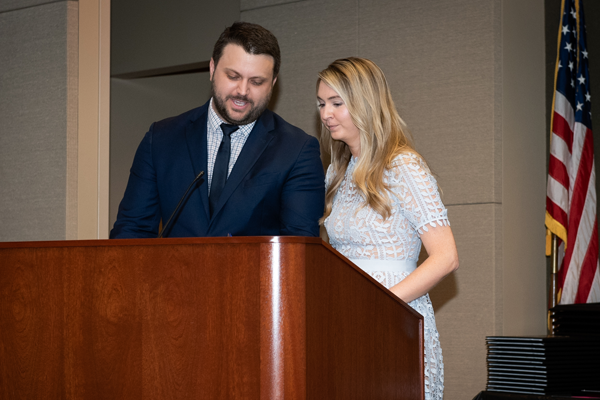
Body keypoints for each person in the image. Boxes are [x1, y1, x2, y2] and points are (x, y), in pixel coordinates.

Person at [317, 57, 459, 400]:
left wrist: (377, 305)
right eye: (321, 104)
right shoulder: (337, 172)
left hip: (393, 317)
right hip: (346, 316)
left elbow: (446, 257)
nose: (325, 114)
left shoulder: (403, 165)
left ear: (365, 104)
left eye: (337, 103)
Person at [110, 22, 325, 239]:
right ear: (212, 69)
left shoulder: (297, 150)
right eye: (233, 77)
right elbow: (131, 231)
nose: (242, 91)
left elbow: (300, 250)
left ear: (273, 83)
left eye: (257, 82)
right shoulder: (161, 138)